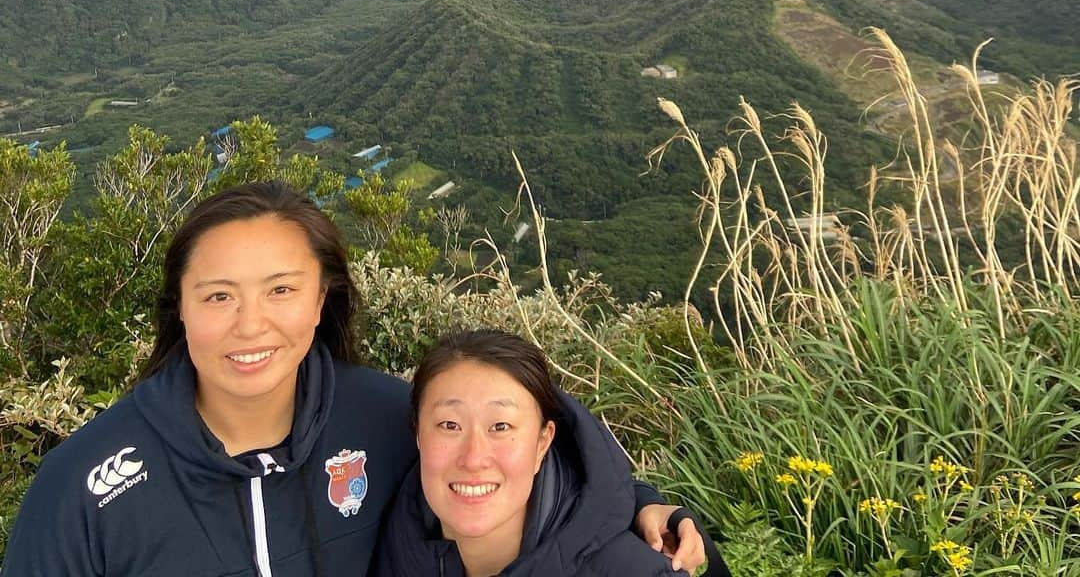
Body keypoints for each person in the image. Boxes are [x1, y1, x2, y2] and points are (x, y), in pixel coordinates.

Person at [1, 182, 705, 576]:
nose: (251, 325)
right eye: (218, 295)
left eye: (280, 290)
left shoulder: (380, 416)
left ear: (321, 301)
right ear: (179, 308)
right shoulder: (85, 487)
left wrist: (642, 506)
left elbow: (503, 450)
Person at [374, 329, 719, 577]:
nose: (473, 457)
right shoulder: (389, 543)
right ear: (418, 434)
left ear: (542, 443)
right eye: (450, 425)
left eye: (501, 426)